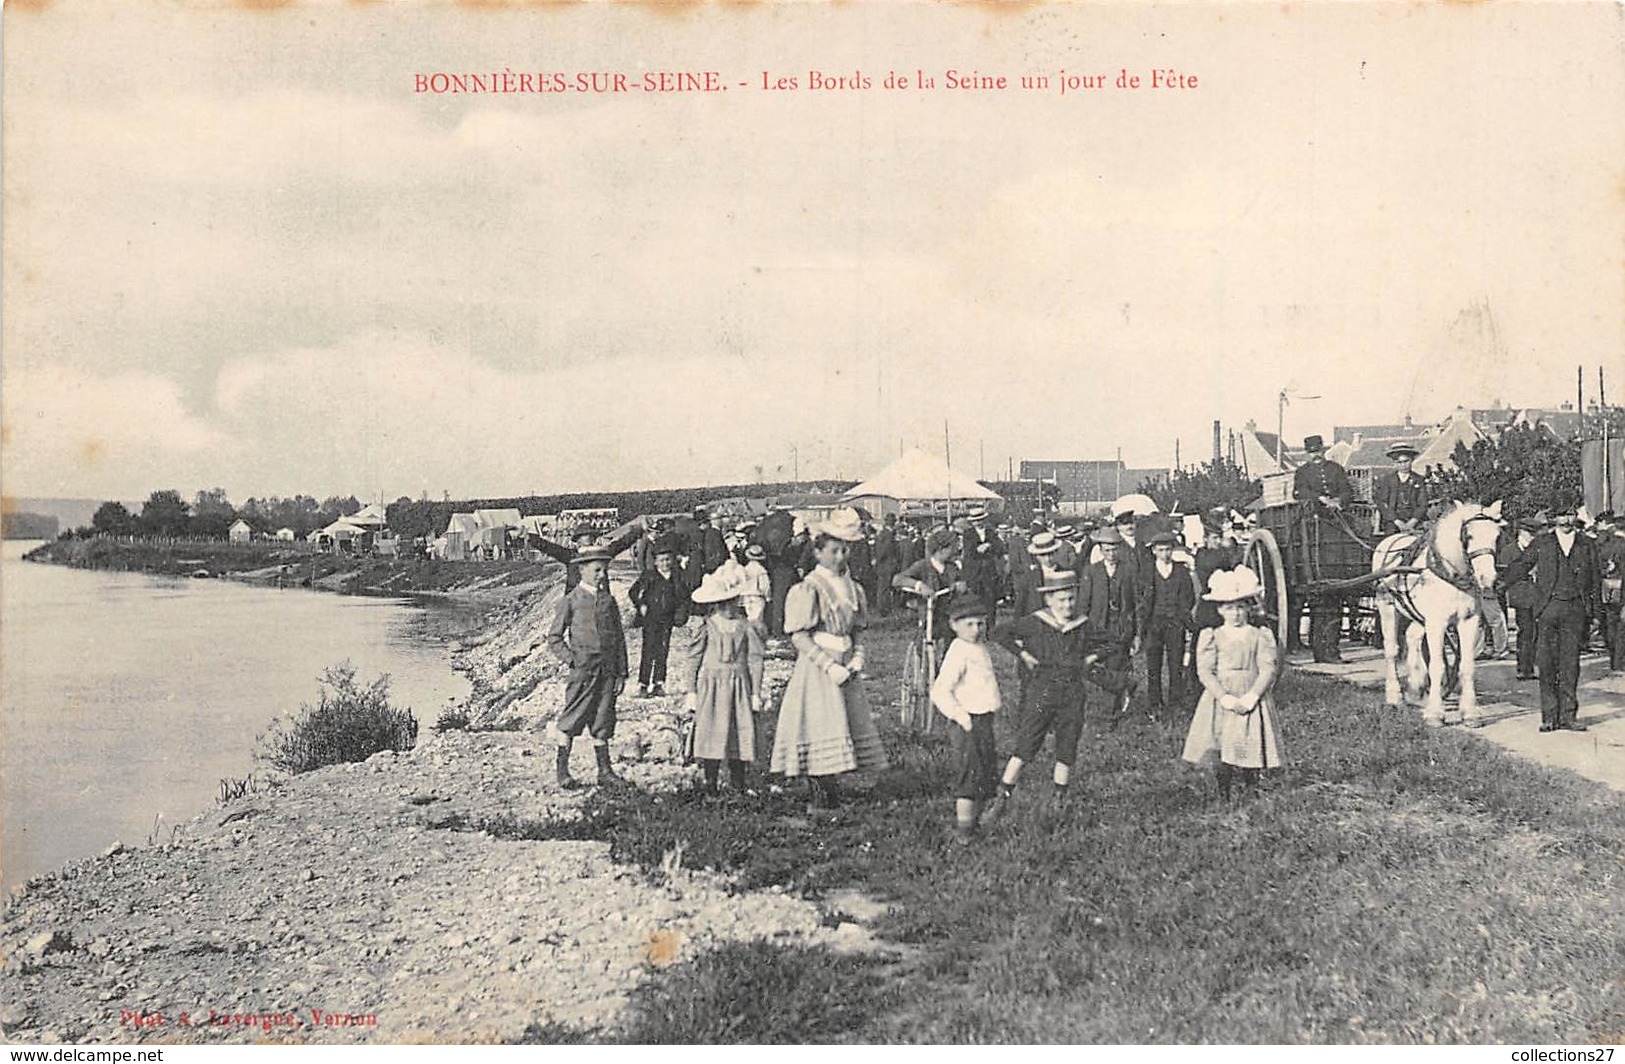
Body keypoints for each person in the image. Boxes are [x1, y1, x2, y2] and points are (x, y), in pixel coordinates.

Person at [769, 509, 890, 811]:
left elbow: (858, 629)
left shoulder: (852, 587)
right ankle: (820, 797)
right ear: (818, 551)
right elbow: (798, 636)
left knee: (843, 724)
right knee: (820, 726)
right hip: (819, 667)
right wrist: (829, 665)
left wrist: (858, 655)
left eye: (844, 550)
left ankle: (833, 792)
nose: (840, 557)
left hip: (846, 665)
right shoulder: (808, 588)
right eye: (834, 551)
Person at [1498, 503, 1603, 732]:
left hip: (1575, 610)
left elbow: (1595, 579)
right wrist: (1502, 583)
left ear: (1575, 517)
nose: (1566, 520)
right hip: (1547, 610)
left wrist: (1596, 613)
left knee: (1570, 664)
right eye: (1561, 515)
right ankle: (1549, 717)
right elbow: (1522, 566)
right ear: (1553, 518)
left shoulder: (1587, 544)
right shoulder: (1541, 543)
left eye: (1570, 515)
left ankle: (1568, 716)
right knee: (1546, 664)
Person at [1181, 568, 1283, 800]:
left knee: (1250, 738)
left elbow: (1268, 667)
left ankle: (1251, 786)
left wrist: (1253, 695)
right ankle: (1224, 790)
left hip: (1250, 689)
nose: (1235, 614)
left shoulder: (1259, 635)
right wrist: (1223, 696)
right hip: (1222, 694)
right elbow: (1205, 670)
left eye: (1240, 607)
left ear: (1248, 608)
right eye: (1229, 608)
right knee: (1221, 739)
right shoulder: (1212, 635)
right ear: (1219, 610)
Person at [546, 547, 629, 790]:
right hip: (583, 671)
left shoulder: (608, 600)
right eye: (596, 570)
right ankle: (563, 771)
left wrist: (621, 672)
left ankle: (605, 770)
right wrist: (572, 660)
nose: (601, 575)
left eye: (604, 570)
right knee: (572, 718)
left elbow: (619, 638)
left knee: (603, 718)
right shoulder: (570, 601)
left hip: (608, 671)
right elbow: (554, 638)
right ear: (581, 571)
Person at [685, 568, 766, 797]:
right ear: (717, 603)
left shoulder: (746, 626)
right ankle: (710, 784)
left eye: (734, 601)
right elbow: (693, 659)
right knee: (712, 729)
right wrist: (690, 691)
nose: (731, 607)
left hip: (739, 687)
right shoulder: (707, 626)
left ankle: (738, 783)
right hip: (713, 687)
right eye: (726, 603)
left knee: (738, 731)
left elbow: (755, 659)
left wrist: (756, 693)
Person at [930, 595, 1001, 844]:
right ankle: (964, 832)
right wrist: (961, 717)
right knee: (969, 775)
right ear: (954, 625)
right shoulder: (958, 651)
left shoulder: (979, 647)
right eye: (969, 624)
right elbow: (940, 691)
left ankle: (976, 825)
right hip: (967, 722)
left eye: (980, 624)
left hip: (983, 719)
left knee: (985, 772)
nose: (976, 630)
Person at [1078, 525, 1139, 717]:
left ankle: (1111, 713)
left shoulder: (1128, 570)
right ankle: (1125, 685)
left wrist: (1136, 633)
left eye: (1114, 549)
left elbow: (1136, 604)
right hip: (1097, 628)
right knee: (1087, 666)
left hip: (1120, 629)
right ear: (1100, 550)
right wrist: (1080, 629)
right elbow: (1083, 604)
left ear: (1119, 549)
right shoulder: (1092, 571)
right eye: (1107, 550)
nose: (1111, 554)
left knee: (1114, 665)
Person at [1141, 531, 1197, 717]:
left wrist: (1181, 615)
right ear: (1154, 551)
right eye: (1160, 550)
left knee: (1176, 665)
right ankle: (1154, 704)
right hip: (1154, 624)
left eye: (1168, 550)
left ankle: (1176, 702)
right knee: (1153, 665)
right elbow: (1142, 598)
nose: (1165, 554)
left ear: (1172, 550)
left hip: (1175, 623)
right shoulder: (1147, 571)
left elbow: (1189, 597)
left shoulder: (1180, 571)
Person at [628, 542, 687, 697]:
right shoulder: (649, 575)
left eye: (668, 560)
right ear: (655, 562)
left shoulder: (676, 576)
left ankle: (659, 683)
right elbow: (633, 592)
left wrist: (680, 613)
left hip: (667, 618)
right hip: (651, 618)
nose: (665, 563)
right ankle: (643, 683)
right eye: (661, 560)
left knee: (663, 650)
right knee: (648, 650)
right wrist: (640, 605)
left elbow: (682, 596)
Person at [893, 529, 967, 651]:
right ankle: (927, 664)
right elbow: (898, 579)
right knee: (925, 645)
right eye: (952, 548)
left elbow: (960, 583)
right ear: (941, 549)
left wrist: (960, 586)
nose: (955, 551)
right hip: (930, 615)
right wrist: (919, 585)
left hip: (950, 615)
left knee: (954, 644)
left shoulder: (952, 567)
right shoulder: (922, 566)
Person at [1502, 515, 1542, 680]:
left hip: (1539, 595)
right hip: (1522, 597)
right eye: (1529, 533)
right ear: (1521, 532)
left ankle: (1534, 665)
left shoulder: (1540, 549)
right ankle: (1524, 668)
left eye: (1534, 533)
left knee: (1538, 633)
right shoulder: (1509, 550)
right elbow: (1506, 573)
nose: (1532, 537)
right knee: (1525, 632)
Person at [1372, 442, 1430, 535]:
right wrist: (1396, 521)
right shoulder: (1387, 480)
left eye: (1406, 461)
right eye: (1399, 462)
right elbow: (1383, 503)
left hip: (1415, 521)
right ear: (1394, 463)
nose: (1403, 465)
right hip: (1394, 521)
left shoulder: (1419, 480)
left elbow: (1423, 504)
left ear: (1412, 460)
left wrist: (1412, 522)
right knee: (1391, 540)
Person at [1292, 435, 1354, 514]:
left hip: (1338, 511)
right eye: (1312, 453)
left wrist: (1338, 500)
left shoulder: (1336, 468)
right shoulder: (1302, 471)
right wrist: (1320, 498)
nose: (1316, 455)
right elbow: (1300, 492)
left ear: (1323, 450)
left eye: (1318, 451)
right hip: (1315, 513)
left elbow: (1347, 490)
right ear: (1307, 453)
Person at [740, 543, 773, 637]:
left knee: (750, 617)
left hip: (746, 596)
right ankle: (756, 638)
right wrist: (768, 597)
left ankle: (750, 637)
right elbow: (765, 585)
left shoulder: (744, 569)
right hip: (757, 596)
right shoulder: (761, 570)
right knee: (758, 619)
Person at [872, 514, 901, 615]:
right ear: (893, 523)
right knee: (884, 588)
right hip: (886, 565)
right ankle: (883, 610)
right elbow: (885, 550)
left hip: (883, 565)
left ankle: (883, 608)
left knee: (883, 588)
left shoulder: (882, 533)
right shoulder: (889, 535)